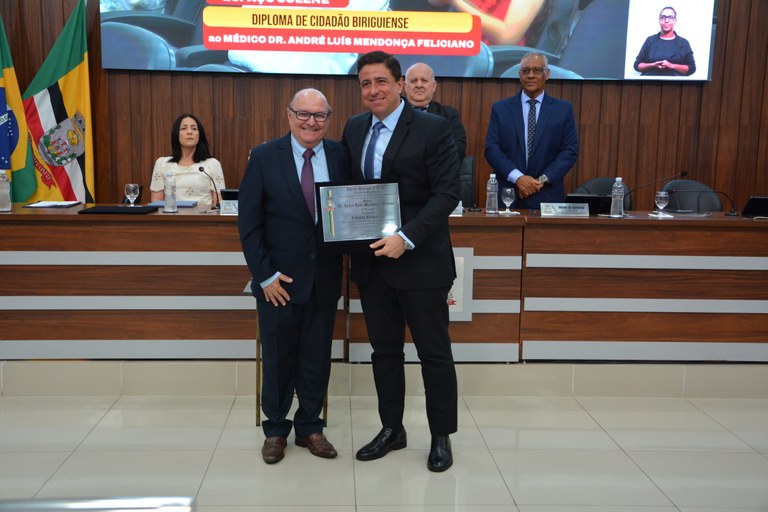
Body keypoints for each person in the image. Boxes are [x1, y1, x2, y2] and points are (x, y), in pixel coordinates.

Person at [341, 51, 460, 472]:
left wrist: (406, 238)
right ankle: (392, 429)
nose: (373, 90)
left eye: (380, 81)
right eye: (365, 83)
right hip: (373, 264)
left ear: (399, 85)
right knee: (385, 352)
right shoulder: (354, 128)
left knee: (434, 354)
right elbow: (350, 190)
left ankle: (441, 436)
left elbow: (447, 193)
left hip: (421, 262)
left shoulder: (432, 127)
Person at [238, 88, 350, 464]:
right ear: (289, 115)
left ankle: (310, 428)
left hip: (323, 278)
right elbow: (249, 224)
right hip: (278, 283)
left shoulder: (340, 155)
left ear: (328, 120)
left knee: (316, 358)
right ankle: (275, 430)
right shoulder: (264, 156)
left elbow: (350, 209)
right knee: (278, 359)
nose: (310, 122)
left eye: (319, 116)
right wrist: (264, 276)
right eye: (303, 113)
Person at [484, 51, 578, 209]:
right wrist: (518, 178)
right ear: (520, 75)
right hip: (509, 196)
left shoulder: (563, 110)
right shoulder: (501, 109)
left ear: (547, 74)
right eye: (526, 71)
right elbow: (492, 148)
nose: (531, 75)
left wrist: (539, 181)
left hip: (547, 194)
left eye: (537, 70)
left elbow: (569, 151)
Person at [149, 113, 225, 208]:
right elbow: (156, 205)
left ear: (199, 135)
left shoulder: (212, 164)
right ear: (176, 134)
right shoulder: (162, 164)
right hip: (172, 216)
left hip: (204, 216)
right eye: (184, 128)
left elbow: (219, 204)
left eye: (194, 128)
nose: (189, 132)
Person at [403, 62, 467, 161]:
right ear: (404, 86)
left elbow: (459, 148)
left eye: (424, 81)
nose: (419, 85)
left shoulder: (449, 115)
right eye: (413, 81)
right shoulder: (394, 114)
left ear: (434, 86)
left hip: (437, 168)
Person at [633, 6, 696, 77]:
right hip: (650, 82)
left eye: (670, 17)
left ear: (675, 21)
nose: (666, 20)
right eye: (663, 17)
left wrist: (672, 66)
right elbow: (637, 65)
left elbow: (692, 69)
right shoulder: (650, 40)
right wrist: (653, 65)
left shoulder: (683, 43)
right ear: (659, 20)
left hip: (675, 83)